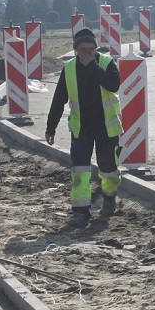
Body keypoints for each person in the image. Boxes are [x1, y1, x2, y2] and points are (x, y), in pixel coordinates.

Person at [45, 28, 123, 228]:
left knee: (109, 170)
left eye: (90, 49)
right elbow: (58, 100)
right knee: (80, 170)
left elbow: (113, 84)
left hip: (107, 127)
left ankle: (108, 196)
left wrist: (92, 66)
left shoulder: (106, 63)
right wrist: (50, 128)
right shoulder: (69, 69)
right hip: (81, 129)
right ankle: (80, 211)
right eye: (82, 49)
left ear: (96, 49)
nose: (87, 53)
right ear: (75, 50)